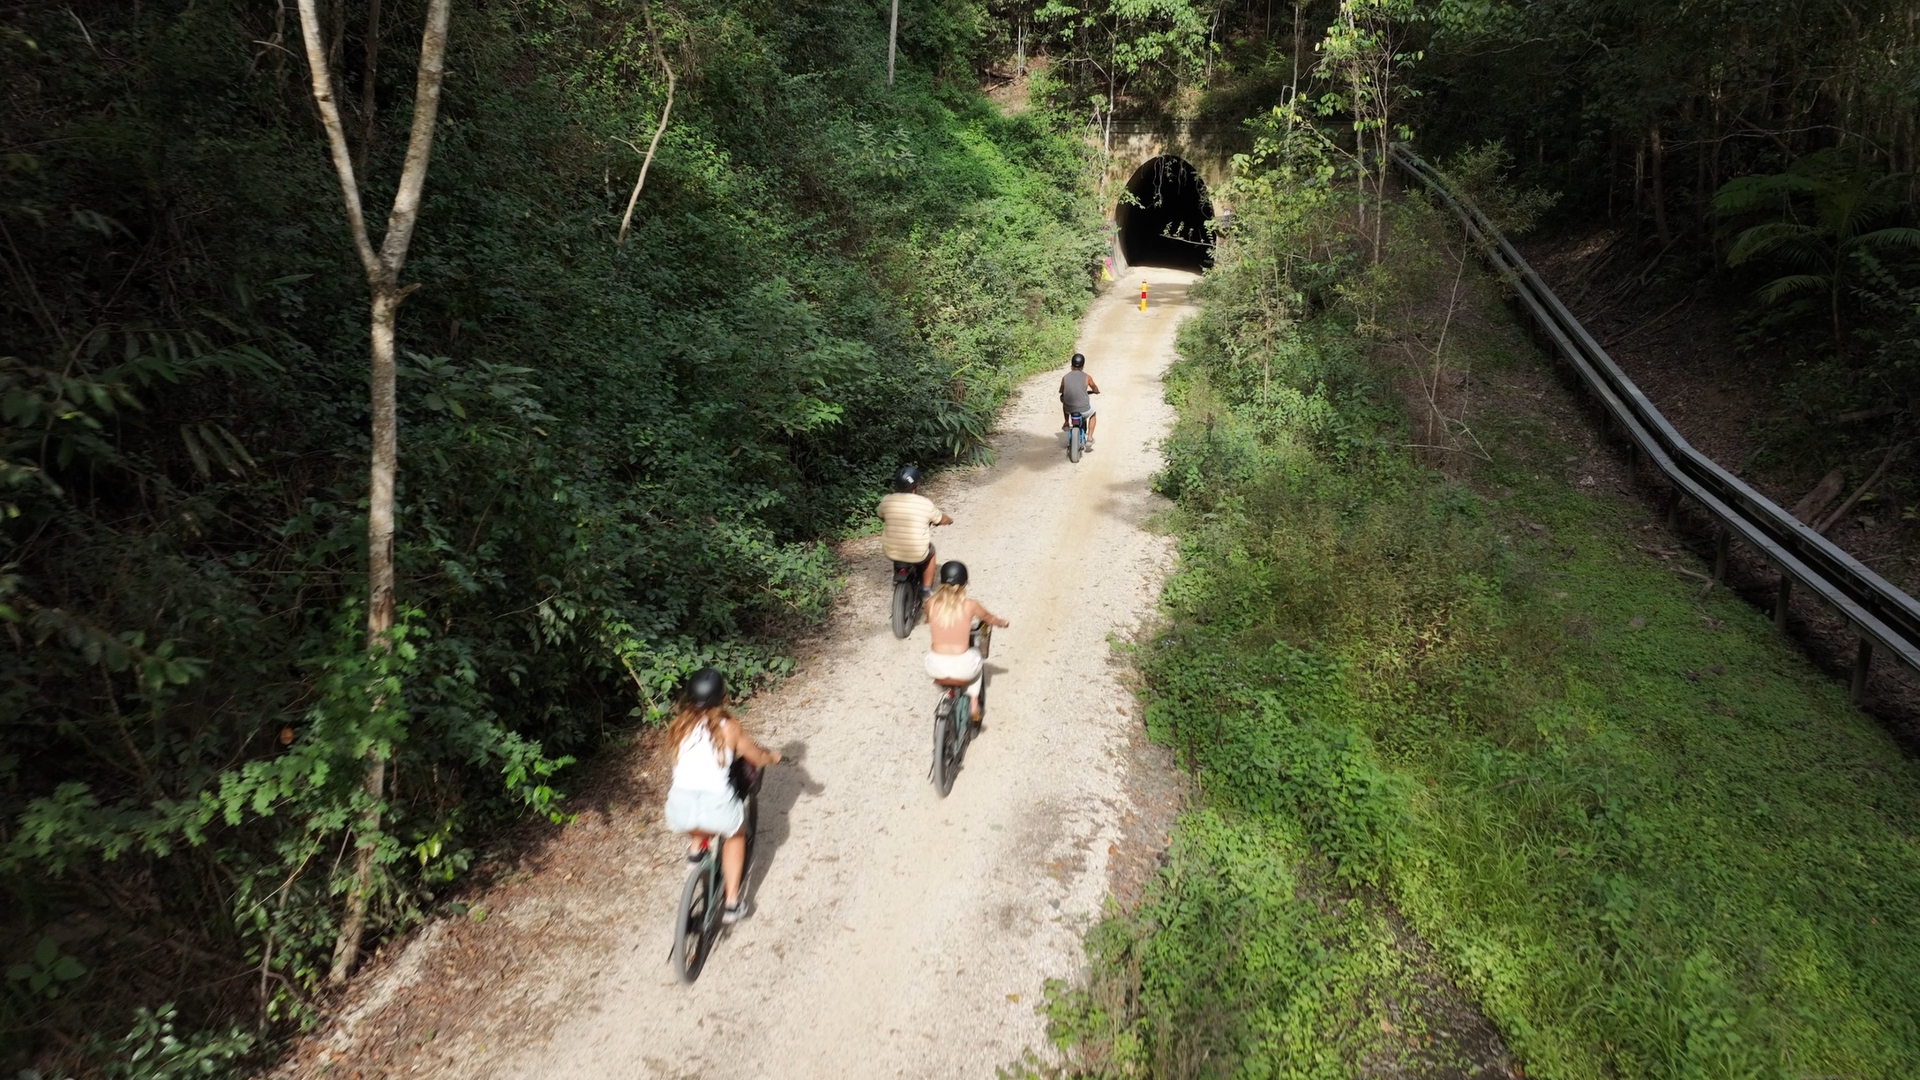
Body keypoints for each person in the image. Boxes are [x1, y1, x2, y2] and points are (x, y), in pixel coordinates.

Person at [662, 668, 781, 924]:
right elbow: (757, 757)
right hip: (716, 806)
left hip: (677, 807)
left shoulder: (678, 725)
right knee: (734, 835)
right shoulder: (729, 728)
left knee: (695, 806)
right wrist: (772, 757)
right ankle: (731, 904)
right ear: (722, 697)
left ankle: (696, 850)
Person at [922, 561, 1009, 724]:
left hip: (933, 666)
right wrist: (1002, 622)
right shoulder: (970, 605)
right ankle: (974, 703)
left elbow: (930, 621)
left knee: (938, 659)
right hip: (962, 668)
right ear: (964, 584)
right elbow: (989, 619)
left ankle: (947, 692)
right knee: (976, 656)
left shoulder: (930, 603)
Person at [876, 464, 951, 592]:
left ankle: (898, 576)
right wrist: (949, 520)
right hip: (917, 552)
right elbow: (940, 519)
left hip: (890, 551)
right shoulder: (924, 503)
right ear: (916, 486)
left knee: (898, 546)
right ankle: (926, 590)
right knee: (931, 552)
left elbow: (881, 516)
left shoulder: (887, 501)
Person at [1059, 353, 1101, 449]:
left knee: (1064, 400)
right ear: (1082, 365)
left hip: (1069, 409)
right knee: (1093, 413)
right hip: (1084, 409)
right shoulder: (1087, 377)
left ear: (1071, 365)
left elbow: (1061, 390)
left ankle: (1066, 422)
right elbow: (1094, 387)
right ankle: (1089, 438)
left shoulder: (1065, 377)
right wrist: (1096, 391)